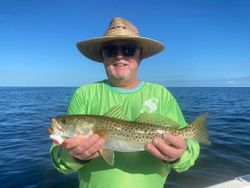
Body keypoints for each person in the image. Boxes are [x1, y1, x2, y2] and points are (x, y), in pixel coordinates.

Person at [50, 17, 200, 188]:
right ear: (102, 56)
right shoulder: (83, 94)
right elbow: (59, 160)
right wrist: (73, 156)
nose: (119, 56)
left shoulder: (162, 94)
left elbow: (190, 154)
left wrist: (178, 156)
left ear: (140, 55)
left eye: (128, 50)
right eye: (110, 50)